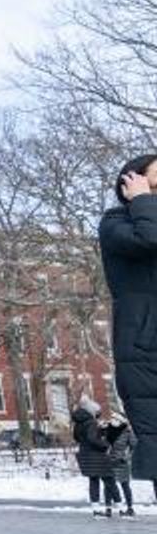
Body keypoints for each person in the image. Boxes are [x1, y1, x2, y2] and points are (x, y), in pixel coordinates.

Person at [100, 154, 157, 484]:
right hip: (145, 349)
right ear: (130, 183)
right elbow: (149, 239)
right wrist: (142, 201)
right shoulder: (115, 223)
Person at [72, 395, 117, 519]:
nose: (98, 414)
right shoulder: (91, 422)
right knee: (108, 479)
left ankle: (96, 510)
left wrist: (99, 432)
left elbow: (76, 437)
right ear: (92, 411)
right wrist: (105, 445)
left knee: (93, 481)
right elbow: (92, 439)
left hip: (85, 453)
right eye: (97, 412)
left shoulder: (78, 423)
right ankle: (119, 506)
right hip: (95, 455)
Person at [105, 413, 137, 518]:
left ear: (121, 421)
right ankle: (108, 508)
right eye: (112, 418)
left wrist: (126, 457)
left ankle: (130, 508)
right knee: (109, 486)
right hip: (109, 461)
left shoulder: (127, 431)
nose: (113, 420)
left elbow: (134, 447)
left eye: (115, 419)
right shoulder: (108, 430)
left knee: (125, 485)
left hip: (122, 462)